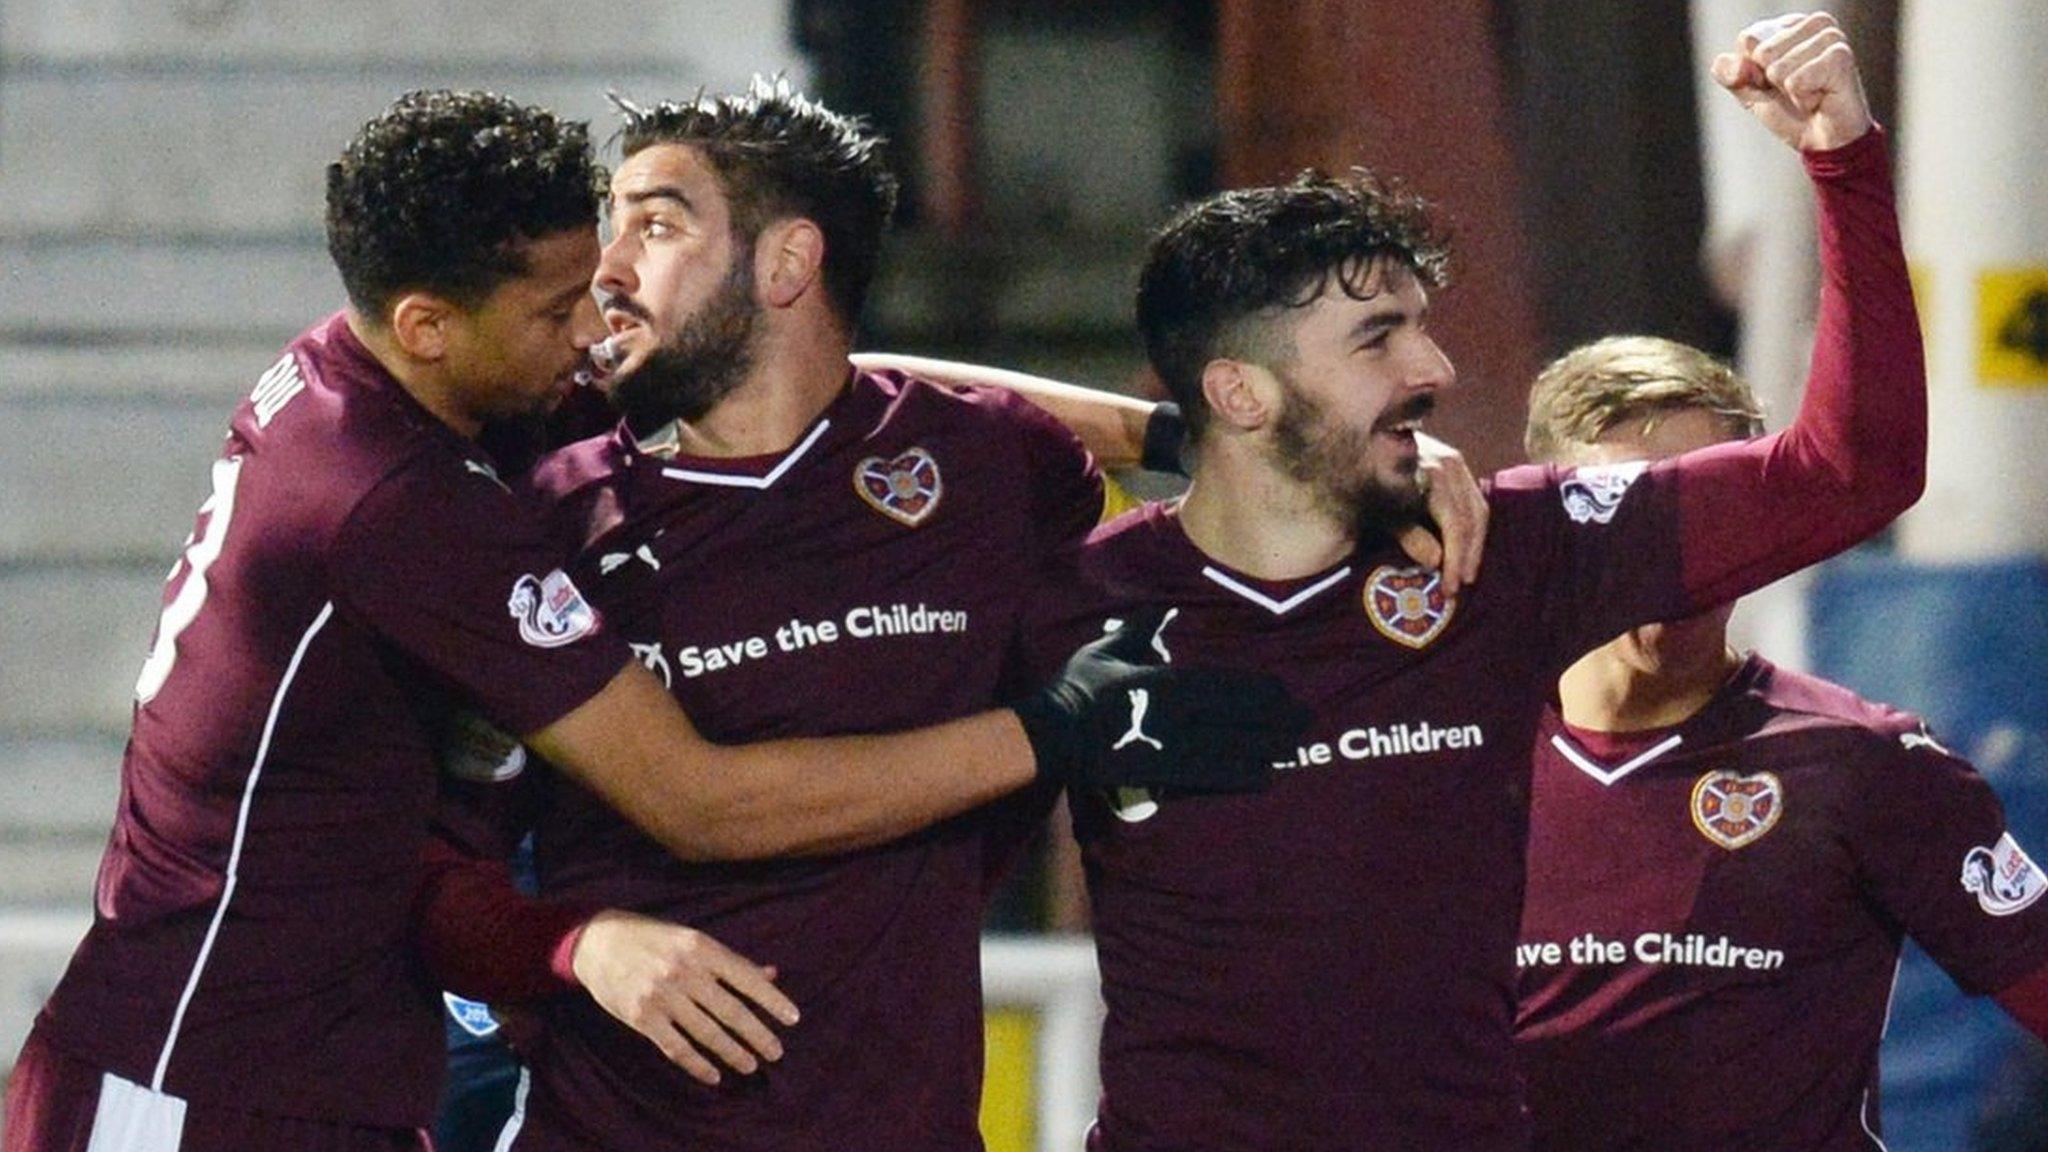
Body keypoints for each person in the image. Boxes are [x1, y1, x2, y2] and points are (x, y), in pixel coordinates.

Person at [0, 90, 1296, 1152]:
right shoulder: (437, 506)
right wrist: (1059, 732)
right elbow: (693, 801)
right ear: (432, 329)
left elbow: (860, 374)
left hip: (337, 1081)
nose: (597, 310)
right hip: (199, 1083)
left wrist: (1173, 436)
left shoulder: (429, 385)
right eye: (563, 305)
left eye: (642, 236)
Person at [414, 80, 1481, 1151]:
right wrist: (578, 945)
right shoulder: (546, 518)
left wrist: (1363, 463)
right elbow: (429, 874)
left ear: (788, 263)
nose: (607, 270)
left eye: (654, 224)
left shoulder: (982, 467)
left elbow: (1198, 525)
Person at [1033, 13, 1927, 1150]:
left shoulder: (1507, 551)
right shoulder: (1085, 600)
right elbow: (843, 394)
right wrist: (1165, 435)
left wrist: (1841, 162)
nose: (1435, 369)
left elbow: (1856, 470)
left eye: (1421, 327)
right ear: (1242, 394)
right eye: (1376, 340)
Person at [1510, 334, 2048, 1151]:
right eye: (1627, 512)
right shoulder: (1453, 765)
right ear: (1550, 527)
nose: (1673, 558)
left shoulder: (1862, 764)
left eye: (1709, 520)